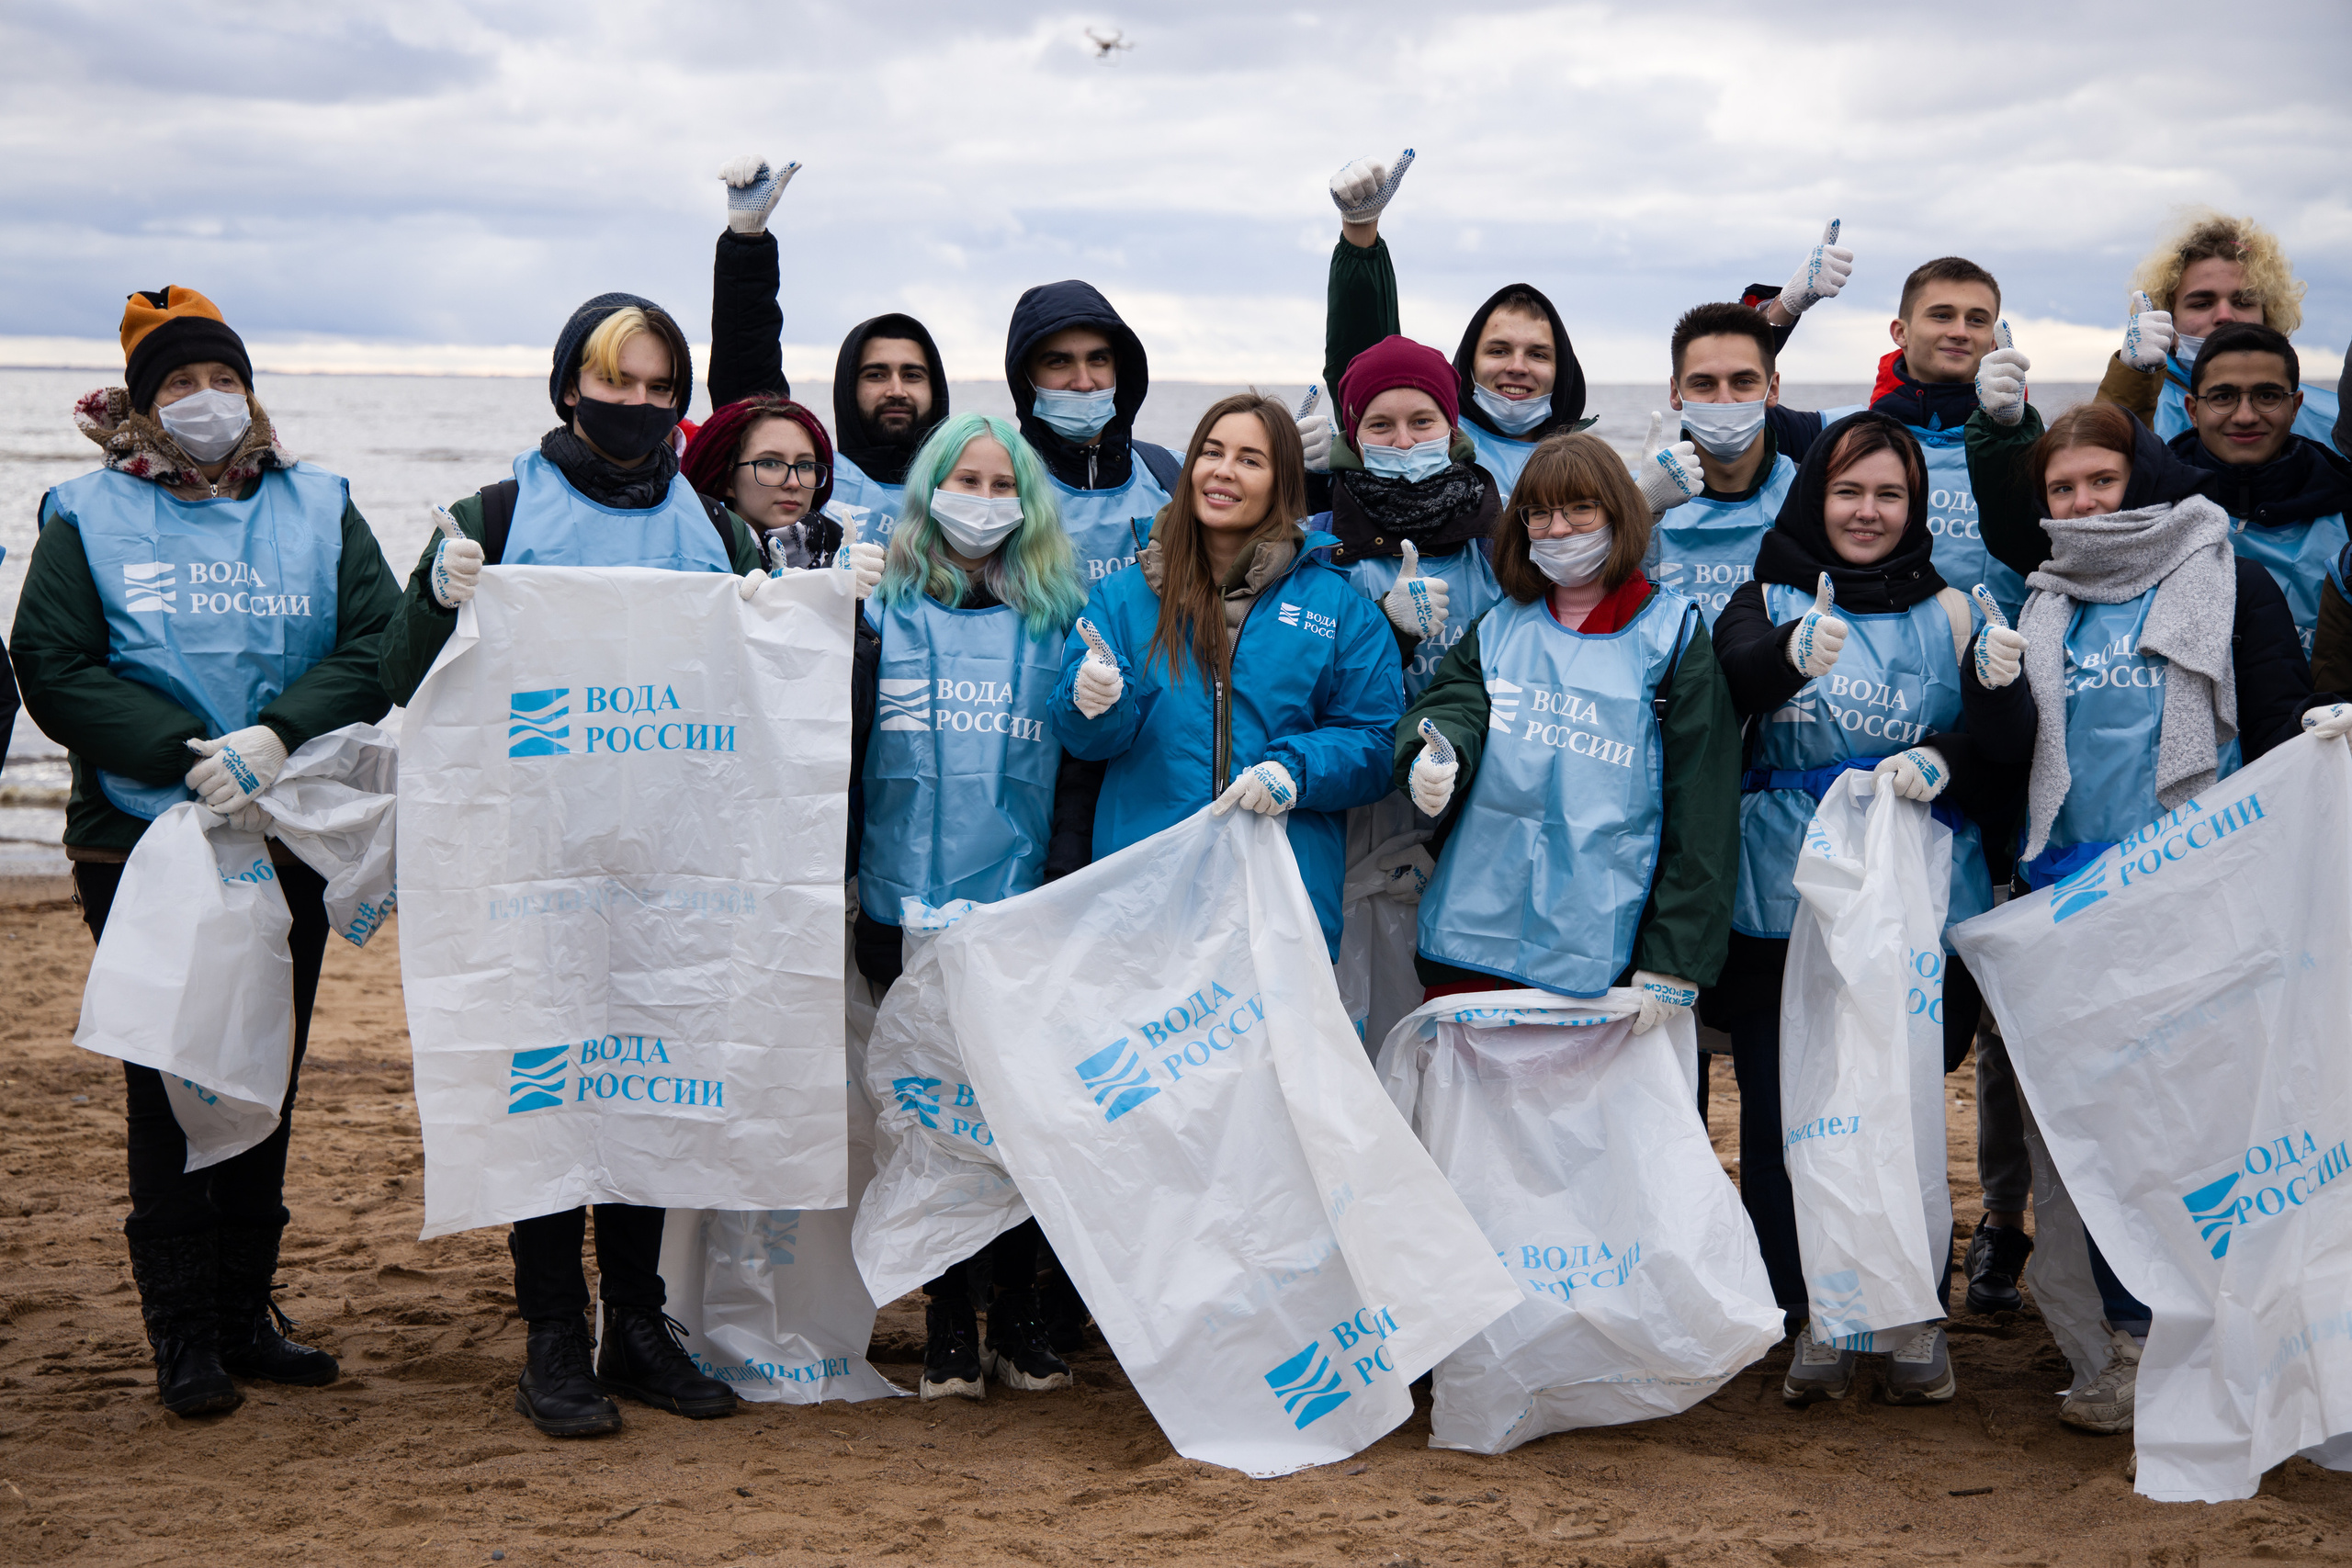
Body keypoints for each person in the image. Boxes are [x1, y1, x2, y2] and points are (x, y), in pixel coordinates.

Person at [378, 293, 803, 1438]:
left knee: (646, 1080)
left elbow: (765, 687)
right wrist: (436, 597)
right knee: (550, 1096)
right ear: (570, 385)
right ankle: (553, 1334)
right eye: (619, 383)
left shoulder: (712, 528)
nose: (641, 406)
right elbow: (403, 682)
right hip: (531, 869)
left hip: (671, 864)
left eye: (663, 388)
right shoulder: (497, 513)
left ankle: (640, 1324)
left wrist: (817, 614)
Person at [10, 286, 399, 1416]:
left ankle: (246, 1314)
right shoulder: (84, 512)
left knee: (266, 1064)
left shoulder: (320, 502)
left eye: (222, 379)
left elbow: (375, 639)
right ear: (143, 405)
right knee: (173, 1075)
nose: (206, 400)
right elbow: (56, 663)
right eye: (179, 385)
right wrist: (186, 757)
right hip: (144, 836)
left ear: (252, 391)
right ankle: (182, 1334)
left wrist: (274, 738)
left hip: (286, 826)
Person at [1973, 399, 2319, 1434]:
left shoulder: (2226, 578)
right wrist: (1986, 700)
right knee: (2095, 1147)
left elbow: (2271, 726)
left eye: (2102, 482)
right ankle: (2129, 1346)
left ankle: (2217, 1339)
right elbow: (2011, 763)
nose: (2084, 503)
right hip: (2063, 913)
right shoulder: (2036, 605)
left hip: (2191, 904)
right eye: (2062, 490)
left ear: (2146, 477)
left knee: (2193, 1137)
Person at [1709, 412, 2037, 1406]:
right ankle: (1804, 1309)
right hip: (1783, 901)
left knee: (1895, 1112)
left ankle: (1907, 1317)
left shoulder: (1952, 611)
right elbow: (1725, 688)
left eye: (1888, 493)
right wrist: (1784, 660)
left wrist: (1969, 727)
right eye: (1847, 490)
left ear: (1915, 506)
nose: (1866, 511)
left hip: (1913, 903)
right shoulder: (1759, 595)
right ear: (1815, 494)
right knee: (1780, 1118)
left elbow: (2004, 749)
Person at [848, 412, 1099, 1403]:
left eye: (1004, 487)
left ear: (1029, 504)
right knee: (933, 1111)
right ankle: (948, 1313)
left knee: (1025, 1112)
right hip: (900, 902)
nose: (984, 503)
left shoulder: (1059, 616)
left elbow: (1083, 770)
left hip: (1021, 904)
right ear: (928, 490)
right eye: (968, 481)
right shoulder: (881, 610)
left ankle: (1021, 1315)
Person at [1394, 431, 1739, 1026]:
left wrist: (1676, 955)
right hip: (1475, 934)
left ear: (1619, 513)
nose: (1558, 529)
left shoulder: (1673, 634)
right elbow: (1455, 707)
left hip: (1601, 951)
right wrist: (1429, 757)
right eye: (1539, 512)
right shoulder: (1501, 623)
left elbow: (1703, 804)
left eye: (1581, 508)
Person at [1048, 392, 1404, 960]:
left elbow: (1379, 740)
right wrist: (1091, 702)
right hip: (1145, 902)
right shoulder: (1122, 597)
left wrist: (1298, 770)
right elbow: (1085, 741)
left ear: (1282, 484)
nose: (1224, 470)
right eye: (1211, 452)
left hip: (1281, 904)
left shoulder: (1338, 606)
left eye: (1250, 459)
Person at [1319, 151, 1836, 501]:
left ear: (1562, 369)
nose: (1518, 367)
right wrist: (1360, 235)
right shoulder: (1431, 443)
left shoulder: (1592, 467)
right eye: (1498, 350)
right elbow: (1367, 365)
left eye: (1539, 354)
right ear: (1466, 366)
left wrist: (1781, 313)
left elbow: (1726, 392)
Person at [1766, 256, 2031, 620]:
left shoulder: (2031, 446)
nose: (1960, 331)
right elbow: (1736, 412)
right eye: (1941, 315)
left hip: (1998, 661)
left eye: (1977, 319)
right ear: (1900, 332)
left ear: (1992, 342)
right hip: (1874, 659)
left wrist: (2134, 377)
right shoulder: (1841, 431)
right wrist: (1780, 313)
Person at [708, 156, 951, 551]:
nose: (895, 389)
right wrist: (746, 241)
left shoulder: (968, 487)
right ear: (846, 389)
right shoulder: (808, 478)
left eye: (912, 374)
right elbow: (747, 379)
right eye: (875, 374)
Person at [2097, 209, 2338, 447]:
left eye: (2243, 302)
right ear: (2167, 319)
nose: (2225, 316)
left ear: (2269, 316)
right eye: (2202, 304)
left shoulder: (2334, 422)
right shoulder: (2138, 413)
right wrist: (2129, 385)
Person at [1002, 280, 1184, 586]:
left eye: (1098, 359)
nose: (1084, 382)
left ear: (1119, 368)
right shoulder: (997, 486)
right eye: (1059, 361)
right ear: (1024, 376)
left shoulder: (1176, 474)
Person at [1647, 302, 1804, 628]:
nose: (1724, 400)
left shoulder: (1813, 497)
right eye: (1703, 384)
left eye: (1743, 382)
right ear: (1675, 393)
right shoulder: (1635, 498)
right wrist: (1634, 510)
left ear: (1772, 389)